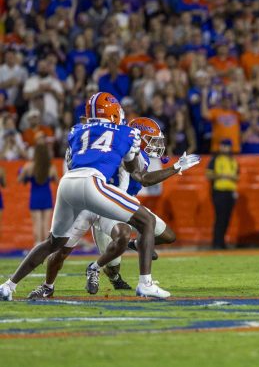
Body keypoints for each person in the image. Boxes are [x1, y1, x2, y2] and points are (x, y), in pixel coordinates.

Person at [0, 92, 165, 301]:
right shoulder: (128, 133)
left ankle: (8, 286)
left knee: (52, 242)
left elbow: (80, 154)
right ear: (114, 112)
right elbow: (136, 171)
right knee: (146, 221)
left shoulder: (77, 130)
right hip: (93, 183)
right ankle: (146, 284)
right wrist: (132, 150)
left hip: (68, 183)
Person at [27, 117, 200, 299]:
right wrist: (175, 168)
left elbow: (141, 176)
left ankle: (129, 249)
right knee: (67, 250)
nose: (157, 144)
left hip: (122, 202)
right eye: (152, 139)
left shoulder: (137, 153)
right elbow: (143, 179)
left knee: (165, 235)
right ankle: (52, 284)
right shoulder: (120, 146)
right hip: (99, 201)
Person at [17, 137, 58, 245]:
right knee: (46, 224)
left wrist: (22, 173)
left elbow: (19, 180)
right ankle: (46, 247)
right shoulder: (51, 168)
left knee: (37, 224)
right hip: (47, 196)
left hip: (35, 196)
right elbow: (58, 182)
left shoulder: (29, 166)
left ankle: (37, 246)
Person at [206, 139, 239, 250]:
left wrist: (231, 178)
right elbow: (208, 175)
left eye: (226, 146)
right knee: (220, 218)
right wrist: (222, 176)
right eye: (223, 146)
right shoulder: (215, 159)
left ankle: (222, 242)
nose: (224, 148)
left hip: (230, 191)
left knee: (226, 218)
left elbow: (237, 176)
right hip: (219, 191)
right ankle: (216, 243)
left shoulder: (233, 160)